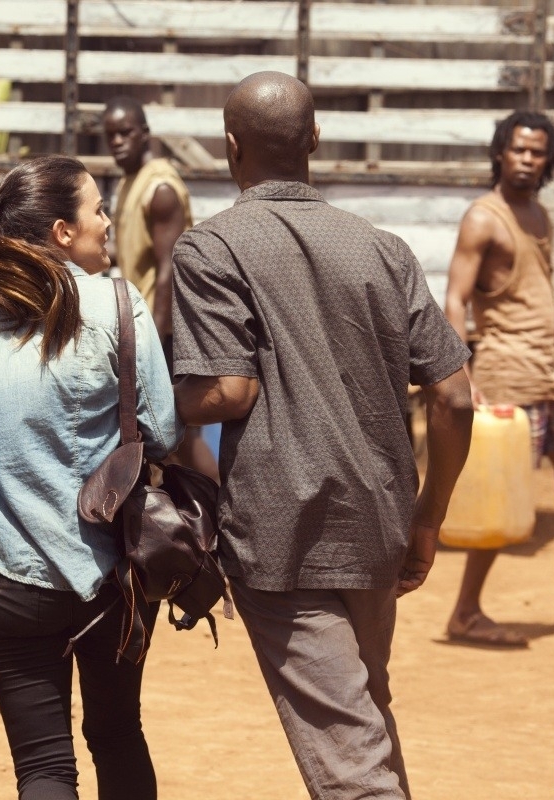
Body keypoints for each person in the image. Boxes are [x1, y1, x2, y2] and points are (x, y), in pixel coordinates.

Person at [171, 72, 474, 799]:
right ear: (314, 139)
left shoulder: (210, 249)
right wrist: (427, 518)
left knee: (351, 762)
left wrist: (155, 395)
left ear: (230, 146)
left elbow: (229, 390)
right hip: (377, 526)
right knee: (364, 721)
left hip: (281, 536)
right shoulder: (383, 249)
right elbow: (455, 397)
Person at [0, 155, 181, 799]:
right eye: (98, 209)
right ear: (62, 232)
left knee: (43, 767)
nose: (107, 220)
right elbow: (162, 432)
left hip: (8, 588)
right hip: (113, 580)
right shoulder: (120, 307)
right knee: (118, 736)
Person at [442, 109, 554, 648]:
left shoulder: (540, 214)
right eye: (519, 150)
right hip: (509, 378)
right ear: (500, 154)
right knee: (498, 501)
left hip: (547, 373)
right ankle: (465, 613)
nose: (528, 160)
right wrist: (461, 375)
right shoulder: (484, 218)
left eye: (538, 152)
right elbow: (455, 299)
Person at [102, 96, 218, 481]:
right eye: (110, 135)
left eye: (125, 133)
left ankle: (222, 502)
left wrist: (150, 341)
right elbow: (132, 252)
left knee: (178, 434)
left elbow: (169, 268)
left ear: (145, 134)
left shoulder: (161, 188)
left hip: (162, 331)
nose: (117, 142)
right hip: (144, 325)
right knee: (161, 438)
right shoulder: (130, 182)